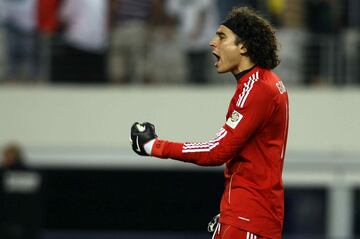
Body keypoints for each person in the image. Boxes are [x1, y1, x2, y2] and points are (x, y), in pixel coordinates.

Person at [130, 7, 289, 239]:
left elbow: (216, 151)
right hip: (251, 217)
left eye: (222, 36)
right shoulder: (267, 83)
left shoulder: (257, 89)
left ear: (243, 46)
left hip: (248, 219)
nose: (212, 43)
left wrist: (153, 146)